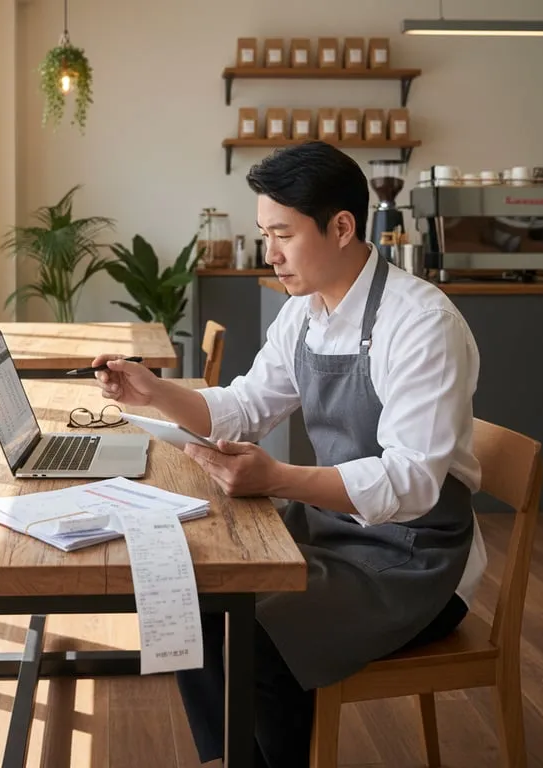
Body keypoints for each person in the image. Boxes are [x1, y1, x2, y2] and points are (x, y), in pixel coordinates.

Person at [90, 141, 487, 768]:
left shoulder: (420, 323)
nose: (269, 253)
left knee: (258, 634)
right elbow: (245, 406)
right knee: (194, 589)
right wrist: (157, 390)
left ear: (341, 227)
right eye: (263, 233)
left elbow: (412, 482)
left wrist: (278, 477)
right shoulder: (303, 313)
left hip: (418, 558)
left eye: (283, 234)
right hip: (333, 529)